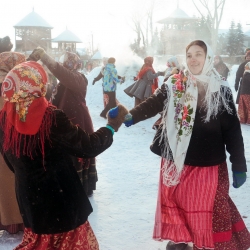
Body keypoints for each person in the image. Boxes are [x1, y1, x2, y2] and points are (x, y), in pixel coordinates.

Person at [113, 40, 250, 250]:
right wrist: (130, 116)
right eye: (189, 55)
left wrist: (239, 164)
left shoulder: (220, 89)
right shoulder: (175, 84)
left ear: (208, 58)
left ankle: (203, 243)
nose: (193, 59)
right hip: (176, 160)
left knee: (206, 207)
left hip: (208, 164)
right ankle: (180, 240)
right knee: (178, 205)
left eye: (198, 54)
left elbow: (232, 130)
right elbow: (154, 103)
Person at [0, 61, 128, 249]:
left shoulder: (4, 117)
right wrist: (111, 125)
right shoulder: (50, 117)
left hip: (30, 201)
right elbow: (88, 146)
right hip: (61, 202)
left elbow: (9, 159)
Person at [28, 47, 97, 197]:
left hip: (77, 123)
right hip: (64, 123)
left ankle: (80, 188)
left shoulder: (79, 78)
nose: (63, 66)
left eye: (65, 63)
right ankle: (69, 186)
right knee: (66, 157)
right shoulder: (61, 83)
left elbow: (62, 73)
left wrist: (46, 58)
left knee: (76, 154)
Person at [0, 52, 26, 234]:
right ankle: (14, 222)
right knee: (12, 180)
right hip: (10, 141)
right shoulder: (11, 84)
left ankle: (6, 220)